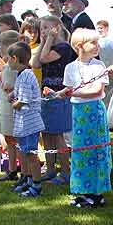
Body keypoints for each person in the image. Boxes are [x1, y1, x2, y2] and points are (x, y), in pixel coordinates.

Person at [58, 28, 111, 208]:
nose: (98, 46)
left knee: (95, 150)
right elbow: (67, 90)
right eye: (93, 43)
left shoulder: (99, 66)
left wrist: (74, 92)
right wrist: (57, 93)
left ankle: (97, 192)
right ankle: (83, 190)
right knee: (80, 151)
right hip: (79, 112)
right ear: (80, 46)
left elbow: (97, 90)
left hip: (94, 111)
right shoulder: (70, 67)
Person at [33, 15, 76, 185]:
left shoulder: (63, 47)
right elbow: (36, 63)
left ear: (56, 28)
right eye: (41, 28)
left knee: (58, 134)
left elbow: (44, 59)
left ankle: (65, 171)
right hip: (46, 95)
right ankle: (51, 169)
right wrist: (44, 41)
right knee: (47, 133)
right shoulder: (47, 46)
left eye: (46, 27)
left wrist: (49, 39)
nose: (43, 31)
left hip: (59, 94)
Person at [8, 41, 45, 198]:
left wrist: (14, 104)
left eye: (9, 58)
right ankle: (29, 181)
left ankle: (36, 185)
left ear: (15, 58)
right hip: (25, 124)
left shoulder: (25, 76)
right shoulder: (24, 75)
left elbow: (24, 100)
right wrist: (13, 95)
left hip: (29, 123)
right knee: (26, 152)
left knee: (30, 155)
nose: (8, 61)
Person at [0, 30, 20, 182]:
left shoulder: (14, 66)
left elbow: (13, 85)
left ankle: (20, 169)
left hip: (11, 107)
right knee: (9, 139)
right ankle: (12, 168)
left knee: (14, 140)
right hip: (3, 103)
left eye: (0, 44)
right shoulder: (7, 65)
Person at [20, 17, 42, 84]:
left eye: (35, 32)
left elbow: (33, 63)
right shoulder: (19, 47)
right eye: (29, 32)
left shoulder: (39, 47)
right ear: (23, 32)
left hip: (37, 84)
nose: (33, 35)